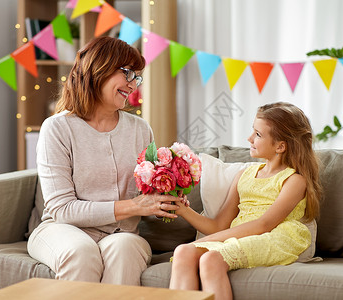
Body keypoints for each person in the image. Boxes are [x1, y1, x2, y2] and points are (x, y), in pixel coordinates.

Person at [27, 36, 183, 286]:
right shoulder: (57, 128)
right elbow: (62, 209)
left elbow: (148, 196)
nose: (133, 85)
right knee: (81, 252)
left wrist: (168, 198)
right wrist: (134, 206)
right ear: (98, 68)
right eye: (128, 73)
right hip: (62, 229)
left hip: (122, 234)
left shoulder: (140, 129)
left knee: (125, 250)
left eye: (137, 77)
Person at [169, 102, 322, 299]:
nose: (249, 138)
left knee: (211, 260)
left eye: (258, 135)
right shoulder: (244, 175)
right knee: (183, 252)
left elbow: (264, 224)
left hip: (276, 236)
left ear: (280, 146)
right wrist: (182, 209)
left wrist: (209, 240)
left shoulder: (294, 180)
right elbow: (218, 226)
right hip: (241, 235)